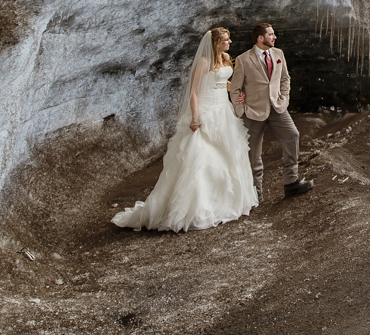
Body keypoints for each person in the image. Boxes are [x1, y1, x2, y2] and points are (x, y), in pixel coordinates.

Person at [111, 26, 258, 231]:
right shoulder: (204, 61)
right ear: (215, 43)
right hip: (206, 111)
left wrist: (237, 90)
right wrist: (196, 116)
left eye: (228, 39)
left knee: (230, 154)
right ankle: (198, 207)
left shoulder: (225, 58)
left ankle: (228, 200)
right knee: (200, 157)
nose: (229, 42)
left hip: (223, 110)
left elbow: (223, 83)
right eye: (225, 40)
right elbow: (194, 92)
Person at [229, 22, 313, 198]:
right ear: (260, 38)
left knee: (292, 135)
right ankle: (255, 194)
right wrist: (241, 110)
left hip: (277, 108)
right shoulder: (243, 59)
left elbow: (285, 79)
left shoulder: (278, 54)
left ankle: (291, 183)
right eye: (271, 35)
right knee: (254, 153)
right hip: (252, 111)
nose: (274, 37)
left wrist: (284, 99)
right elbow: (235, 88)